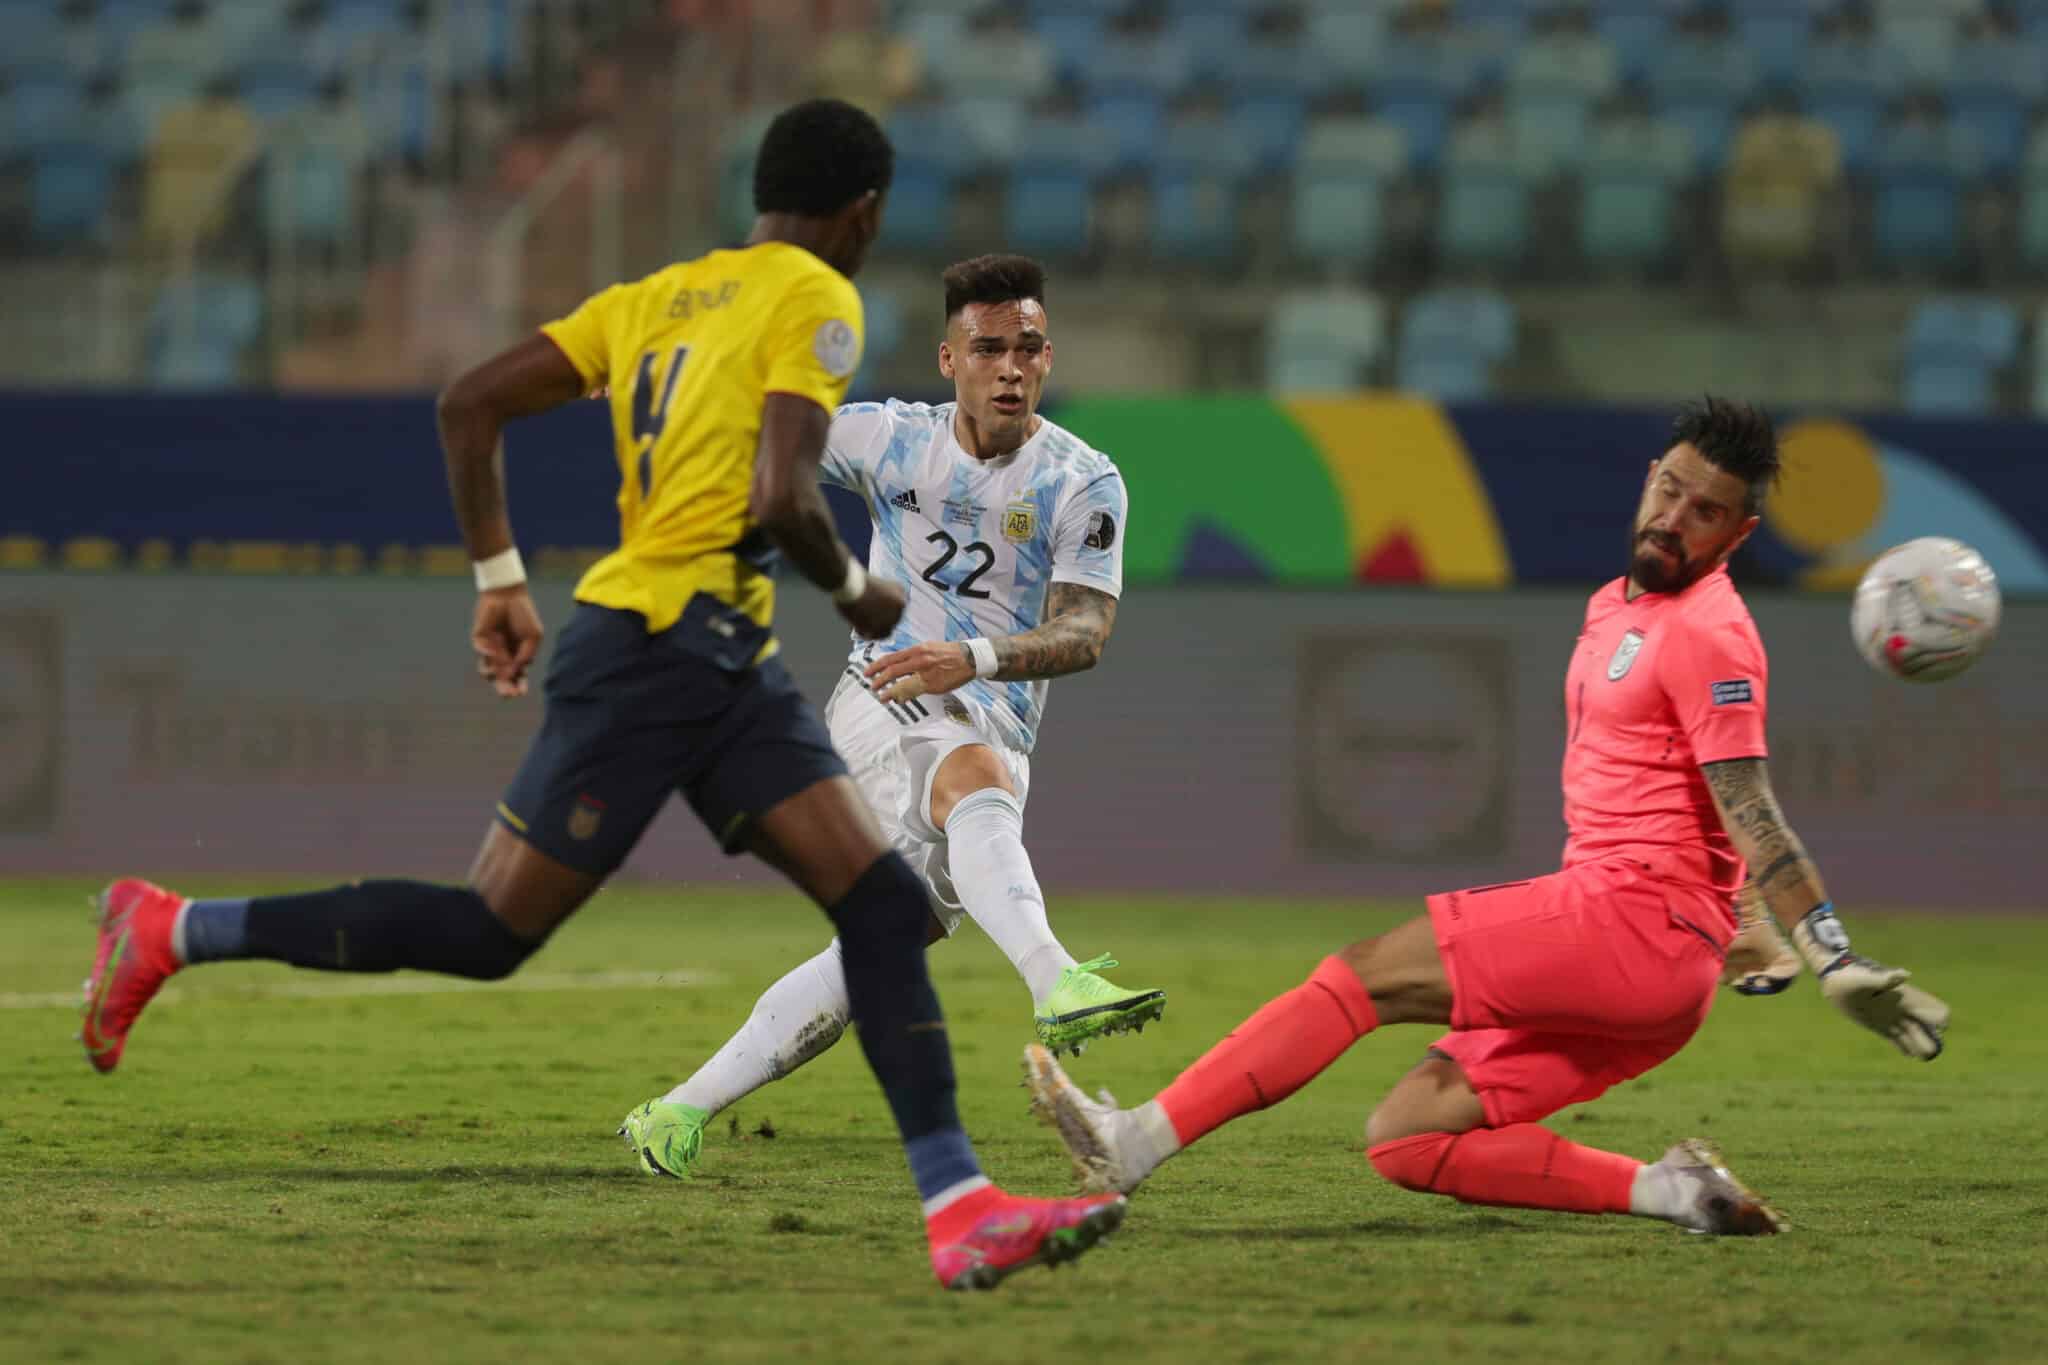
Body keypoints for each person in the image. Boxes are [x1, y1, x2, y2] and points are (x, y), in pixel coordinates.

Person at [78, 99, 1123, 1292]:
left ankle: (959, 1209)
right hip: (660, 653)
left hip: (708, 653)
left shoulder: (654, 298)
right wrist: (855, 590)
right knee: (490, 932)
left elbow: (469, 403)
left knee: (883, 910)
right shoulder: (814, 299)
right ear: (864, 212)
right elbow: (783, 496)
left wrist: (498, 580)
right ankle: (173, 928)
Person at [1024, 398, 1951, 1234]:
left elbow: (1750, 807)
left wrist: (1833, 955)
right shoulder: (1614, 605)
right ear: (1648, 479)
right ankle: (1676, 1191)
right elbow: (1693, 799)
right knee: (1410, 1135)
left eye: (1705, 510)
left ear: (1738, 533)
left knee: (1361, 976)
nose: (1675, 517)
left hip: (1631, 923)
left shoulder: (1712, 633)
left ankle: (1135, 1141)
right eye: (1670, 489)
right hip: (1653, 965)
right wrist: (1734, 919)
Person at [620, 253, 1164, 1177]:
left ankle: (675, 1113)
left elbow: (1086, 631)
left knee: (877, 949)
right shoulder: (888, 440)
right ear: (949, 358)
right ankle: (1056, 979)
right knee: (966, 772)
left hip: (996, 725)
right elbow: (762, 429)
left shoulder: (1082, 481)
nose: (1010, 368)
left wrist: (976, 656)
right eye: (987, 348)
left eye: (1028, 348)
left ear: (1047, 356)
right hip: (884, 698)